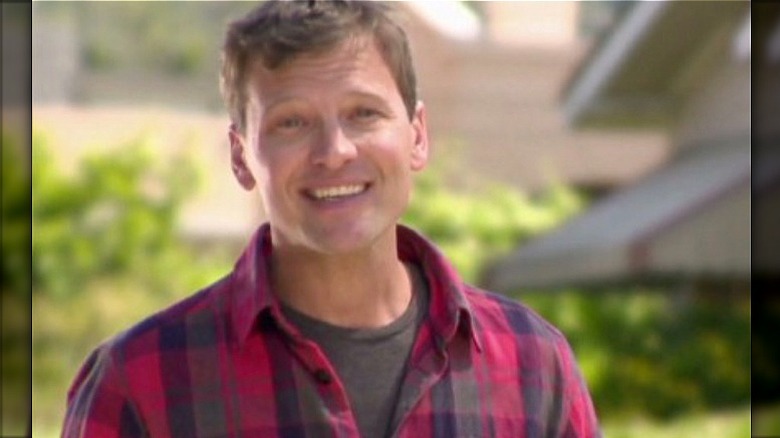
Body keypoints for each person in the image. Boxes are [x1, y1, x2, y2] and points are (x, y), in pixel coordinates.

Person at [62, 1, 601, 437]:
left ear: (417, 135)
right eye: (292, 123)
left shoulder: (534, 365)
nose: (334, 151)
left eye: (363, 113)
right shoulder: (140, 382)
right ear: (239, 156)